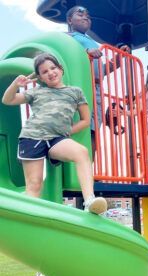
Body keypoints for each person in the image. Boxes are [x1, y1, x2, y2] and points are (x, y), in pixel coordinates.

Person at [2, 52, 107, 215]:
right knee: (35, 186)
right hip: (32, 137)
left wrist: (67, 131)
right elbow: (7, 100)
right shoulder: (36, 92)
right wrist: (16, 84)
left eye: (53, 68)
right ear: (41, 78)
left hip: (57, 139)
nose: (50, 73)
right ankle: (28, 216)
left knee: (81, 152)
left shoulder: (75, 92)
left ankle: (89, 201)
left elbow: (86, 120)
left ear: (61, 69)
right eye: (44, 72)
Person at [66, 5, 130, 157]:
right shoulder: (67, 38)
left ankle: (88, 172)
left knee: (93, 130)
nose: (85, 16)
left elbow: (102, 71)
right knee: (78, 127)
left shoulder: (92, 41)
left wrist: (118, 59)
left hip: (96, 88)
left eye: (88, 15)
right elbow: (64, 55)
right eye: (80, 13)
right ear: (70, 20)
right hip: (79, 88)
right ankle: (72, 173)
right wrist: (85, 52)